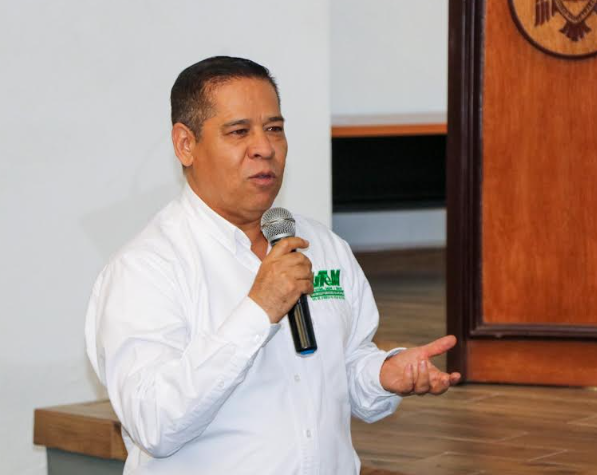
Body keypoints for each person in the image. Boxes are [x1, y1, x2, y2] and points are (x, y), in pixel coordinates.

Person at [84, 56, 461, 475]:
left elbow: (348, 366)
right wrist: (258, 310)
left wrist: (384, 374)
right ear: (185, 144)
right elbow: (155, 422)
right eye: (239, 131)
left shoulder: (323, 246)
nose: (264, 148)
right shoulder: (145, 269)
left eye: (274, 129)